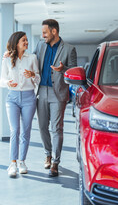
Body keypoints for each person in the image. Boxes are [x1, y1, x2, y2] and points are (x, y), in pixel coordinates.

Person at [33, 19, 77, 177]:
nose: (42, 35)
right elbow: (30, 61)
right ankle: (48, 154)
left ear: (54, 31)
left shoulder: (69, 49)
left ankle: (55, 162)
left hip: (58, 92)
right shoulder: (40, 45)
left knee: (56, 128)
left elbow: (73, 70)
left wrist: (63, 69)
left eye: (45, 32)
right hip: (41, 91)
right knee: (43, 126)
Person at [0, 31, 40, 178]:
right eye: (24, 40)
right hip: (12, 98)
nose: (27, 43)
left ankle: (22, 161)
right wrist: (8, 82)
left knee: (26, 131)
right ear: (16, 42)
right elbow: (1, 81)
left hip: (29, 97)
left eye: (27, 40)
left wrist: (33, 76)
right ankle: (13, 163)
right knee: (14, 130)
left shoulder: (32, 58)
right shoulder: (7, 59)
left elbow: (38, 78)